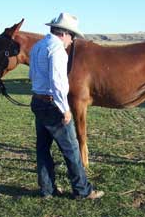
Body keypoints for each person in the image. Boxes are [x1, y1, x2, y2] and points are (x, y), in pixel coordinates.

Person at [29, 12, 104, 199]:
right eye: (72, 36)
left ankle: (47, 190)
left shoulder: (38, 46)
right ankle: (82, 190)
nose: (72, 41)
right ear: (64, 33)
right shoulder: (57, 50)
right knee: (71, 150)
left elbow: (32, 75)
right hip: (53, 105)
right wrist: (65, 109)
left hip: (38, 101)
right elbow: (58, 82)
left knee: (43, 148)